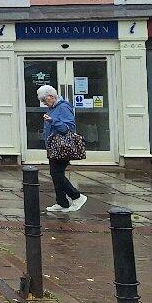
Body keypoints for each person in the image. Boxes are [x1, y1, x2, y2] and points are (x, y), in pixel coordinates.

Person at [38, 85, 87, 214]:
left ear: (51, 96)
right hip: (54, 147)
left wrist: (53, 121)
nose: (44, 103)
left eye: (44, 100)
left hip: (63, 147)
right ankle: (62, 202)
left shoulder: (63, 107)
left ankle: (77, 197)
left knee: (56, 174)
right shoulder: (52, 108)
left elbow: (69, 128)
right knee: (55, 175)